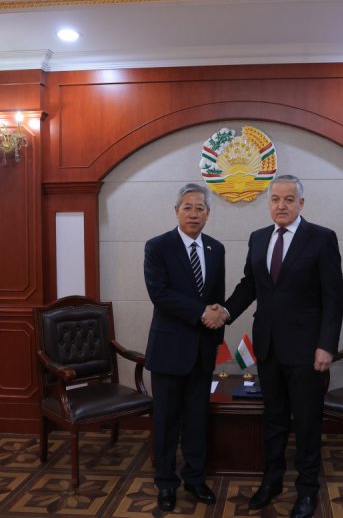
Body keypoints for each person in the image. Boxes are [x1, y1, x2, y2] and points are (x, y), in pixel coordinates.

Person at [218, 174, 343, 518]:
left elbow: (334, 297)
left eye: (289, 199)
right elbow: (250, 285)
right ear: (269, 203)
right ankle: (271, 481)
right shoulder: (258, 238)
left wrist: (326, 345)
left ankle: (307, 491)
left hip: (307, 350)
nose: (281, 205)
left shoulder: (321, 238)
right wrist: (226, 312)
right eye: (275, 199)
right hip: (268, 346)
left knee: (306, 423)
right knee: (273, 419)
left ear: (301, 203)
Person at [144, 183, 226, 512]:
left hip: (202, 351)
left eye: (200, 208)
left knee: (196, 420)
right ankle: (166, 483)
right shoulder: (158, 246)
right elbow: (160, 293)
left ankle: (194, 478)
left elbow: (216, 297)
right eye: (187, 207)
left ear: (208, 213)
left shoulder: (216, 249)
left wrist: (217, 326)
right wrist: (202, 313)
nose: (194, 213)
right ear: (176, 211)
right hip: (169, 350)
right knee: (165, 421)